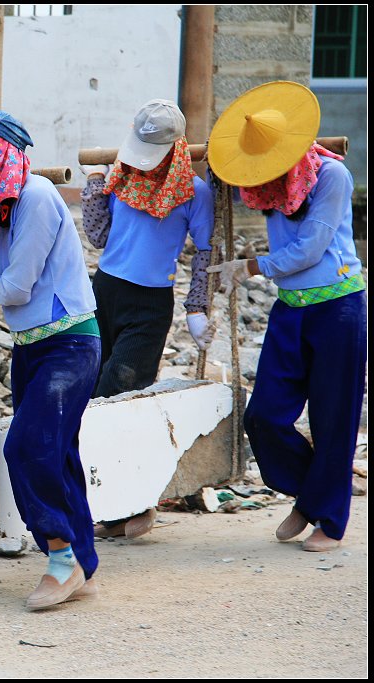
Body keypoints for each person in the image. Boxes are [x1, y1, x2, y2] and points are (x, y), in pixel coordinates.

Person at [0, 110, 101, 611]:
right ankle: (81, 562)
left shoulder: (35, 197)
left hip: (69, 344)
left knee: (27, 448)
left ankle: (60, 557)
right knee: (58, 454)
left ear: (3, 154)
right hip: (36, 346)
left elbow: (17, 286)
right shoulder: (7, 200)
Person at [206, 81, 366, 553]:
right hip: (291, 310)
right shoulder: (265, 186)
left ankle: (329, 521)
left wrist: (250, 266)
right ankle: (311, 492)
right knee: (265, 416)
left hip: (338, 309)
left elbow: (311, 247)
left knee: (333, 418)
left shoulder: (332, 178)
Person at [79, 98, 215, 540]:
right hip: (106, 291)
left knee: (117, 393)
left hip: (150, 304)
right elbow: (99, 237)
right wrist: (94, 185)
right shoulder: (122, 176)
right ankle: (112, 507)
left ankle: (137, 505)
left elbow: (207, 252)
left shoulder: (195, 192)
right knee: (88, 397)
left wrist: (197, 306)